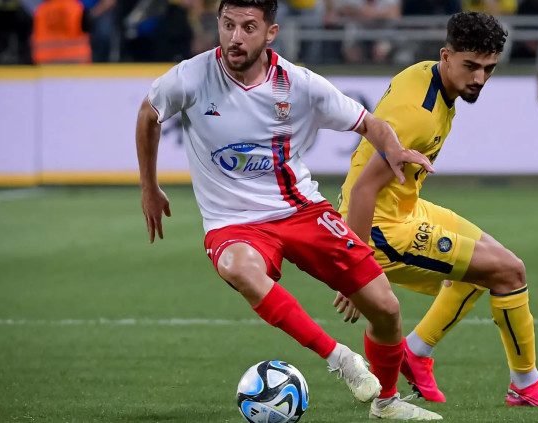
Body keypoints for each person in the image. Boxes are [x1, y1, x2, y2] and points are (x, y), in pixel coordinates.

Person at [135, 0, 442, 420]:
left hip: (300, 210)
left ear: (270, 33)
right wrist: (149, 186)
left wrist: (395, 149)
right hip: (234, 222)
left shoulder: (298, 84)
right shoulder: (191, 76)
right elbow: (148, 114)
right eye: (227, 25)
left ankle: (387, 402)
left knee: (385, 308)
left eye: (248, 27)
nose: (235, 38)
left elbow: (370, 124)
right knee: (238, 267)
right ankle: (340, 358)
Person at [335, 11, 538, 407]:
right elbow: (364, 189)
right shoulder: (417, 116)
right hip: (380, 227)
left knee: (493, 261)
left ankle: (416, 351)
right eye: (471, 66)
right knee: (508, 271)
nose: (480, 78)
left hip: (403, 206)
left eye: (489, 68)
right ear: (446, 56)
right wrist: (354, 268)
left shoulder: (427, 74)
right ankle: (526, 384)